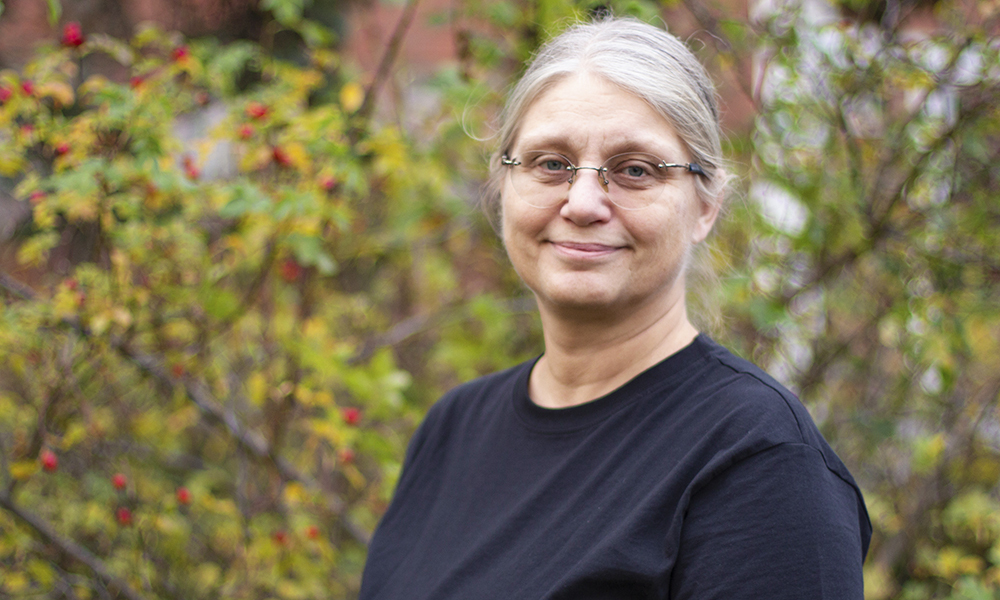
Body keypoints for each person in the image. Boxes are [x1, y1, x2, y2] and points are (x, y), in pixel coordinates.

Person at [359, 15, 872, 600]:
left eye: (634, 170)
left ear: (705, 206)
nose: (582, 203)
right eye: (551, 164)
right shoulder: (453, 430)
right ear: (503, 184)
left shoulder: (759, 459)